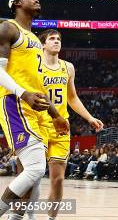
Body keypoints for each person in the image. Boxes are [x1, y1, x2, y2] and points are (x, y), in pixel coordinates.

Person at [0, 0, 69, 219]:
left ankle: (16, 218)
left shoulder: (35, 41)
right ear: (17, 3)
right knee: (36, 168)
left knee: (34, 174)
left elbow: (38, 87)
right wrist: (22, 94)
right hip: (14, 103)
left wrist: (56, 115)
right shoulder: (8, 28)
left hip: (33, 108)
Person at [25, 29, 104, 220]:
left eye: (59, 39)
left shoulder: (68, 67)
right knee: (33, 176)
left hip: (61, 127)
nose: (56, 41)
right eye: (52, 39)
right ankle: (28, 216)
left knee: (58, 179)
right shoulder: (33, 65)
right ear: (43, 44)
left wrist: (89, 117)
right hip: (37, 123)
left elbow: (72, 97)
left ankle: (51, 218)